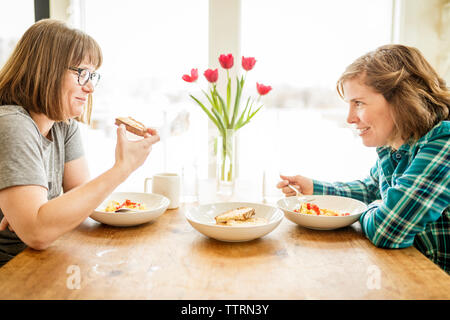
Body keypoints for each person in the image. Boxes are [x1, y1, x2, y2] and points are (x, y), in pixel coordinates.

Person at [0, 19, 160, 266]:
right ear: (46, 70)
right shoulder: (11, 123)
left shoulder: (64, 125)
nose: (90, 88)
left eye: (93, 75)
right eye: (81, 73)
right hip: (11, 269)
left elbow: (80, 200)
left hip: (41, 258)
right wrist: (123, 168)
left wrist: (43, 212)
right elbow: (38, 233)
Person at [277, 44, 449, 273]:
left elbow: (387, 230)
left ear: (401, 100)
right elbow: (371, 189)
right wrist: (314, 188)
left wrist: (375, 207)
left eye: (358, 103)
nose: (349, 118)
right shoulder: (398, 143)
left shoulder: (444, 143)